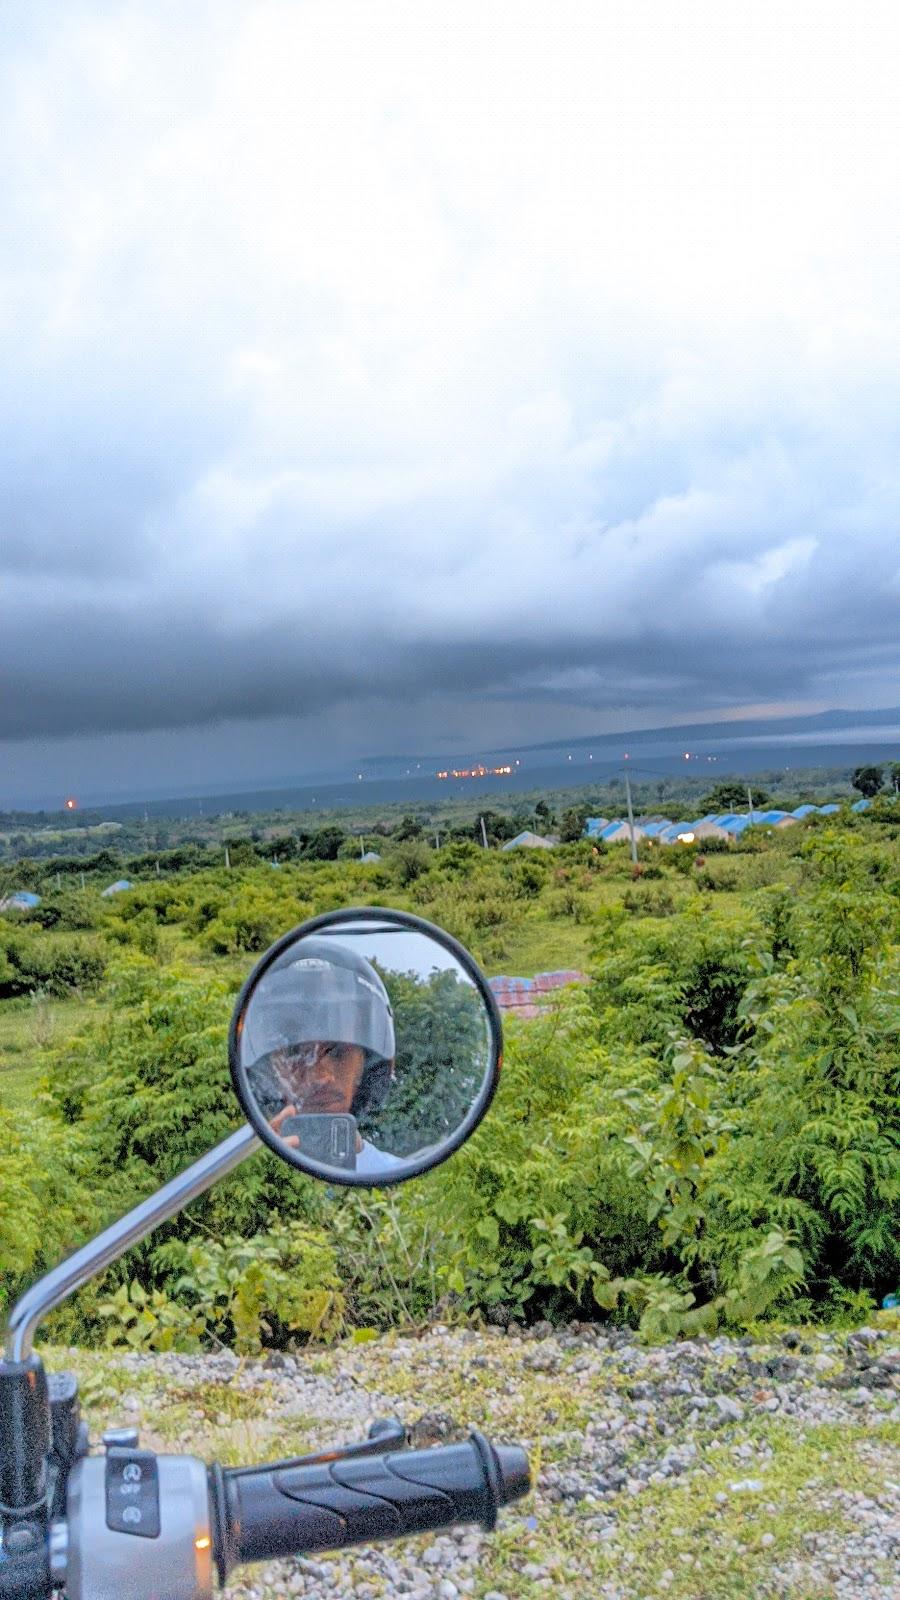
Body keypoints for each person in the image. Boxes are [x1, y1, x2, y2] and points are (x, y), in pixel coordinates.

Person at [242, 936, 400, 1176]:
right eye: (296, 1054)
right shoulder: (248, 1178)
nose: (320, 1077)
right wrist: (261, 1175)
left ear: (366, 1066)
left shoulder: (399, 1182)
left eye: (337, 1052)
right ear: (270, 1070)